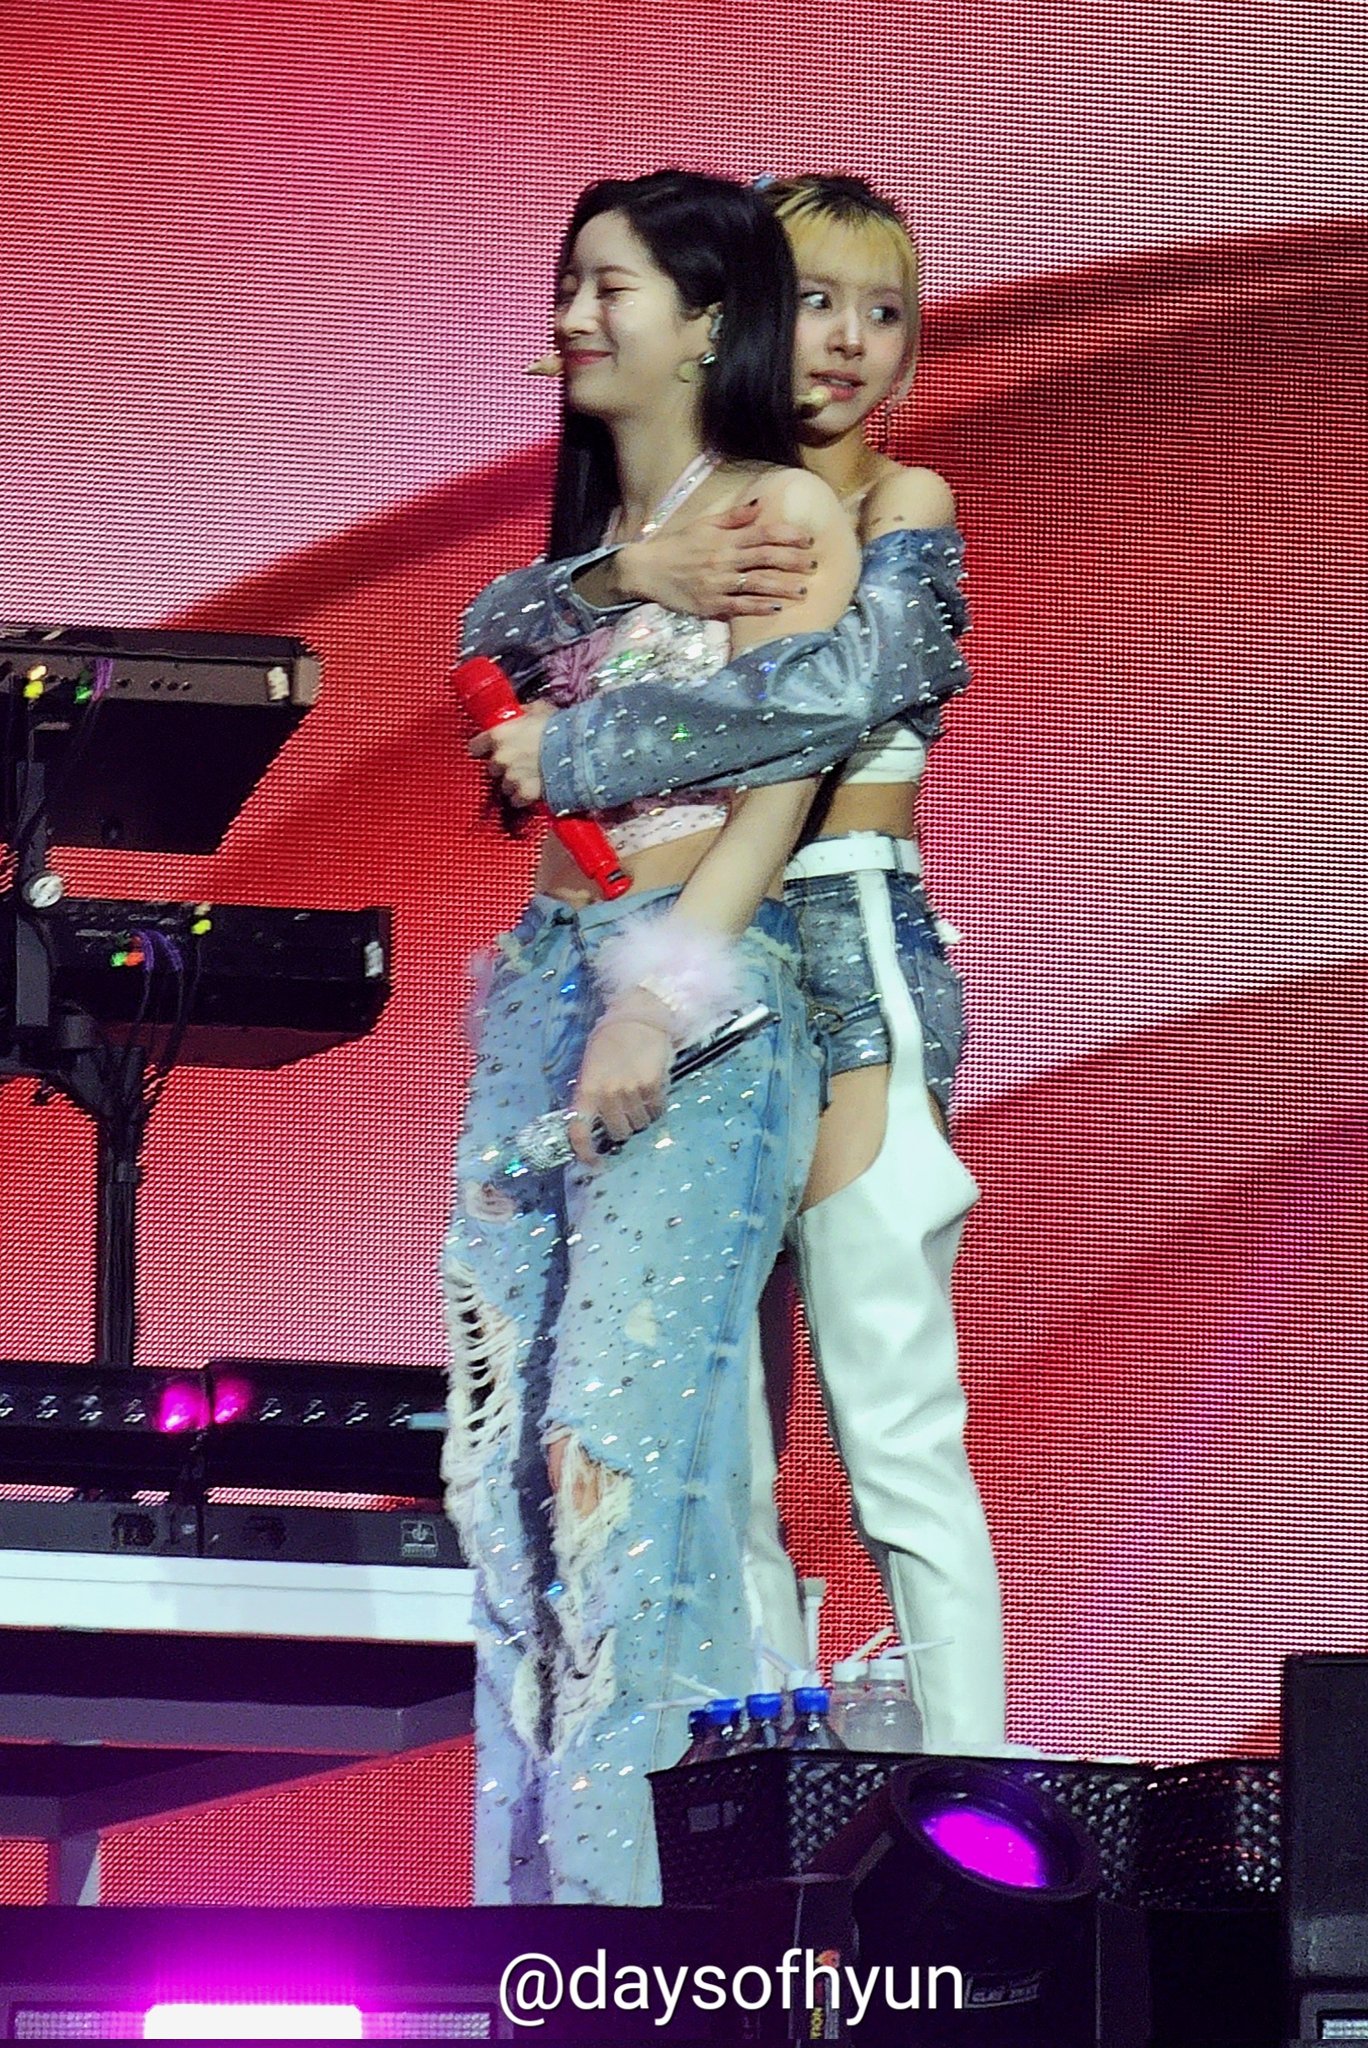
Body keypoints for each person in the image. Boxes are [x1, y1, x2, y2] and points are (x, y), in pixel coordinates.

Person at [466, 175, 1005, 1755]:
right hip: (704, 946)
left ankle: (976, 1798)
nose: (844, 342)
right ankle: (753, 1785)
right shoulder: (685, 511)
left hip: (849, 943)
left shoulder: (896, 501)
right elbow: (493, 626)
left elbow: (841, 696)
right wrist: (630, 581)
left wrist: (577, 750)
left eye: (884, 313)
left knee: (890, 1408)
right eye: (814, 299)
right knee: (716, 1439)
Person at [441, 169, 860, 1909]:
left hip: (690, 999)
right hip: (538, 991)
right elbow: (480, 643)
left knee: (614, 1461)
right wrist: (628, 569)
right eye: (566, 284)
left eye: (608, 287)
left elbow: (791, 771)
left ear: (706, 323)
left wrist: (656, 994)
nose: (571, 318)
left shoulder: (783, 511)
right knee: (499, 1479)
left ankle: (634, 1942)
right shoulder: (580, 567)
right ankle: (521, 1939)